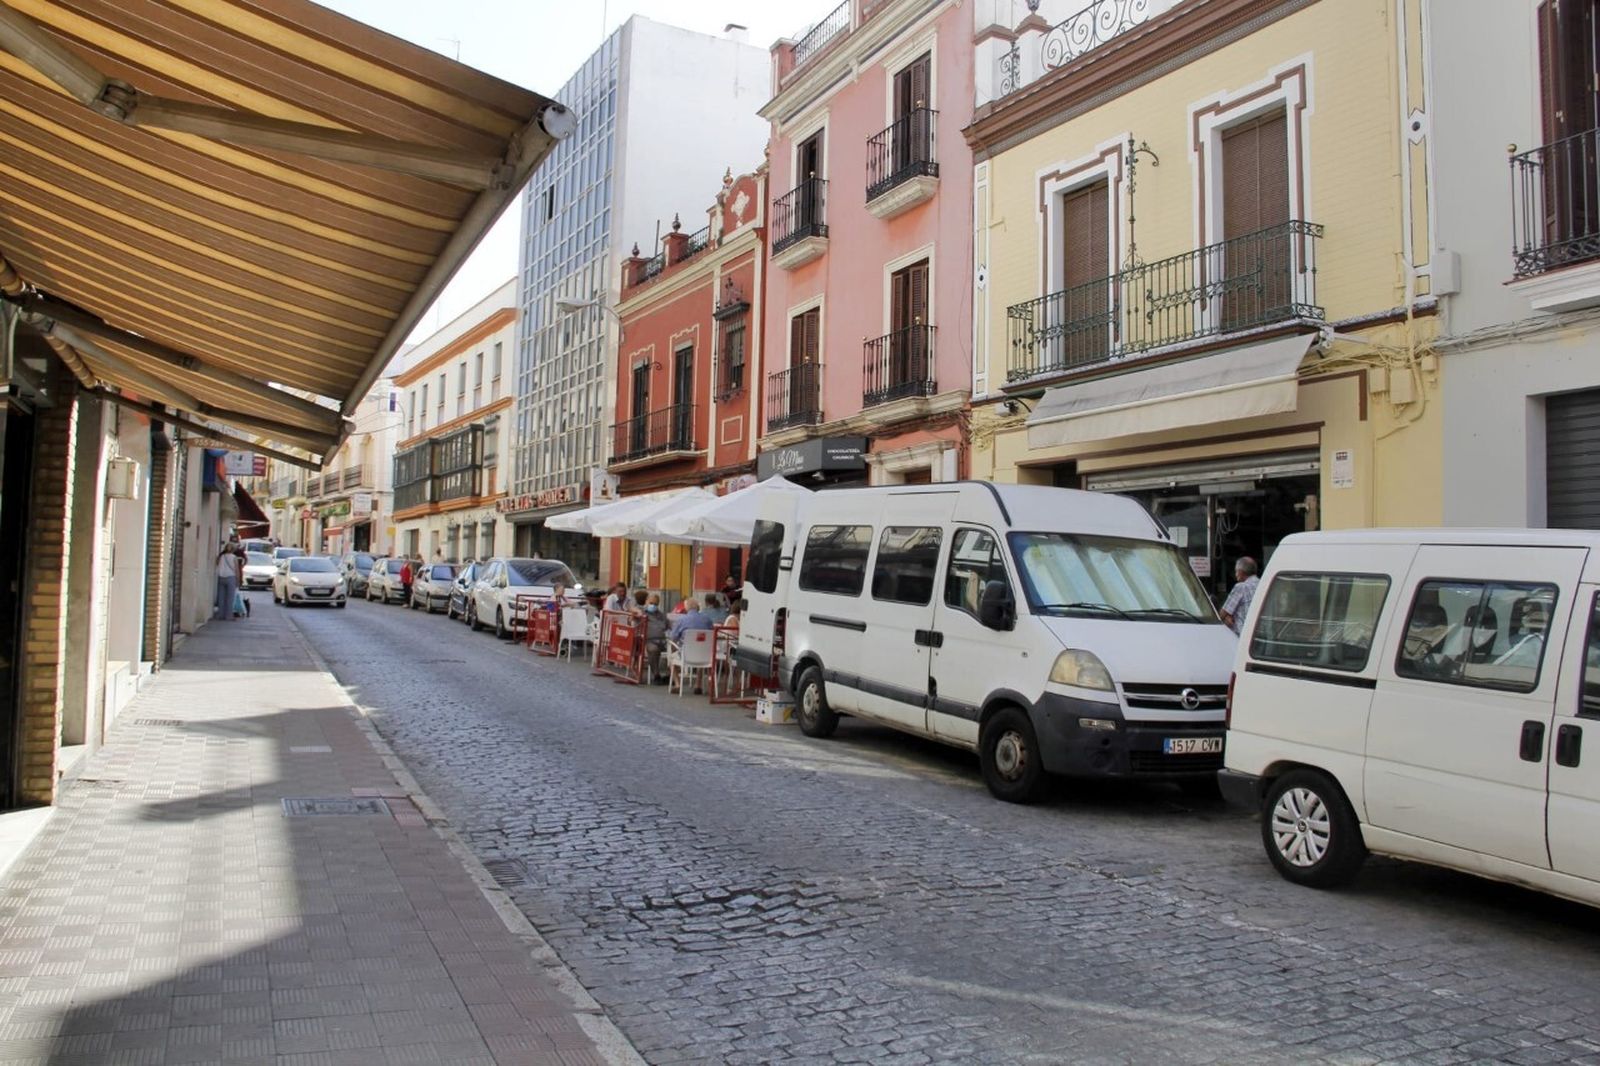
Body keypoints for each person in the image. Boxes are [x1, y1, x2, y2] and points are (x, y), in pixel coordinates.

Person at [1219, 556, 1259, 636]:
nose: (1235, 574)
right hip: (1258, 635)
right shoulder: (1262, 584)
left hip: (1241, 636)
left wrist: (1226, 617)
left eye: (1236, 571)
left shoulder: (1241, 587)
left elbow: (1222, 614)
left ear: (1241, 572)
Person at [641, 593, 670, 682]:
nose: (653, 605)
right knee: (653, 650)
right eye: (651, 603)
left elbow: (668, 626)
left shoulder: (661, 615)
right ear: (646, 602)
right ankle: (656, 674)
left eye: (655, 604)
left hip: (663, 641)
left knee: (677, 649)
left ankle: (671, 676)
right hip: (650, 640)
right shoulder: (642, 613)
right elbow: (630, 609)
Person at [214, 541, 242, 621]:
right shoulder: (234, 557)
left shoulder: (221, 556)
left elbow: (217, 564)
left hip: (221, 577)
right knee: (230, 598)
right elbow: (236, 570)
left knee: (221, 597)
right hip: (231, 578)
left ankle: (220, 614)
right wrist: (238, 580)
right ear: (233, 549)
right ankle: (228, 616)